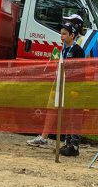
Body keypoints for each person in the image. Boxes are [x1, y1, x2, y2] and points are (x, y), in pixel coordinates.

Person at [27, 19, 88, 152]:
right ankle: (66, 143)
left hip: (72, 87)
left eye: (64, 34)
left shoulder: (78, 50)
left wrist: (76, 90)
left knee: (73, 115)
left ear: (72, 35)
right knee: (64, 114)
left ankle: (74, 145)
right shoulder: (62, 50)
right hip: (61, 86)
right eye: (60, 33)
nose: (61, 36)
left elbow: (80, 72)